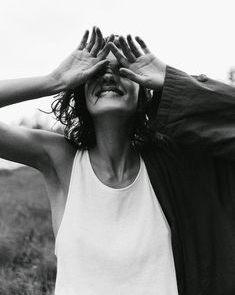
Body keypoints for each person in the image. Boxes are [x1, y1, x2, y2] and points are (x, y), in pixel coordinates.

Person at [0, 26, 235, 295]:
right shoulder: (61, 160)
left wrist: (173, 83)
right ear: (80, 90)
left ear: (143, 89)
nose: (109, 75)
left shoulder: (175, 162)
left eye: (123, 69)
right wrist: (53, 80)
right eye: (96, 71)